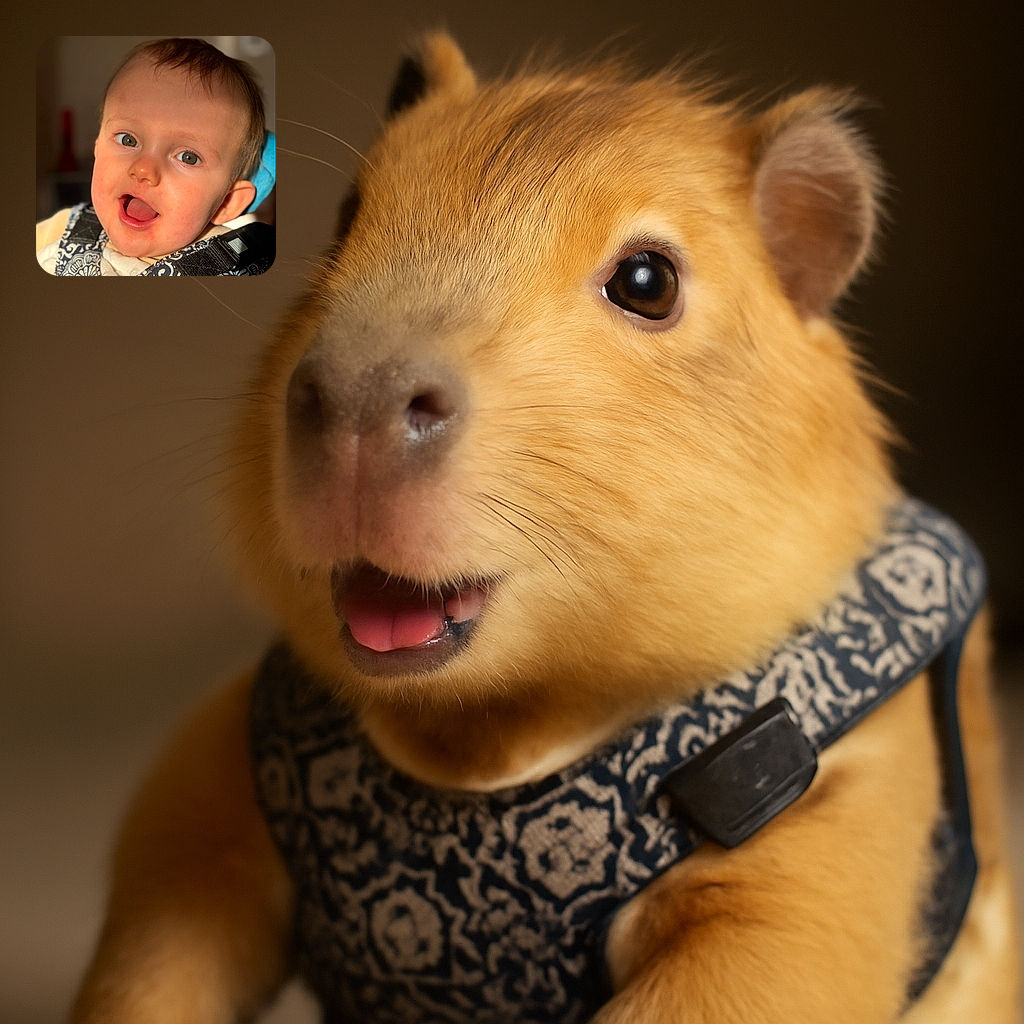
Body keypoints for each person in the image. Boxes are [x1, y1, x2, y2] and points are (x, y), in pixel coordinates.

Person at [37, 37, 274, 276]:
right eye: (128, 140)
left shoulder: (236, 259)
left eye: (187, 157)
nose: (143, 169)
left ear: (227, 201)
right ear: (97, 148)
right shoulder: (65, 227)